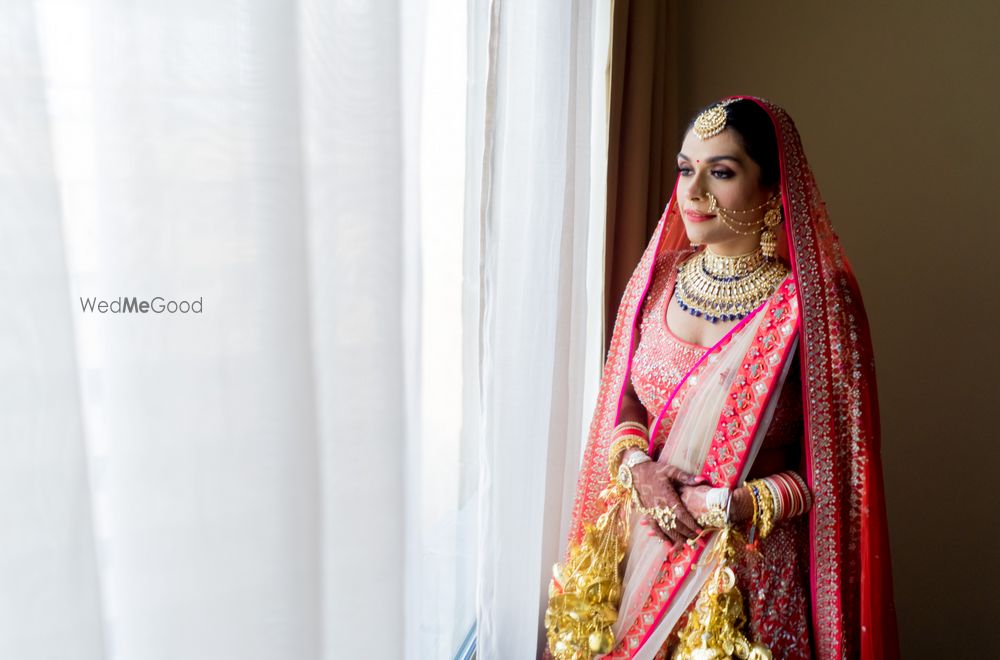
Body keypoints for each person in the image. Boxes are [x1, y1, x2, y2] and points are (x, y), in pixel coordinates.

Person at [546, 96, 899, 659]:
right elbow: (628, 397)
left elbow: (837, 478)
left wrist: (731, 506)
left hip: (748, 581)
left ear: (771, 190)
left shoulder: (813, 304)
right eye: (686, 168)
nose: (693, 190)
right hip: (642, 550)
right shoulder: (658, 282)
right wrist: (640, 470)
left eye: (722, 172)